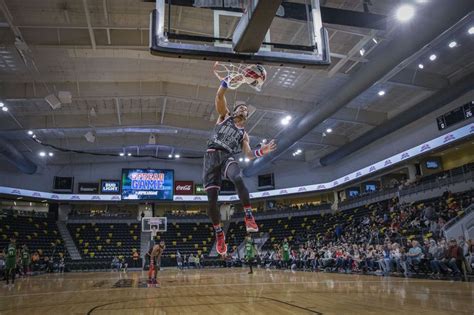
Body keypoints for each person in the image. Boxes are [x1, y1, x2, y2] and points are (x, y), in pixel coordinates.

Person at [204, 75, 277, 255]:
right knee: (212, 201)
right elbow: (219, 96)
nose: (244, 109)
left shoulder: (244, 134)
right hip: (211, 156)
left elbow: (249, 154)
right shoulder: (224, 116)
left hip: (227, 157)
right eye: (241, 107)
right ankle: (219, 233)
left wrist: (262, 152)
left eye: (246, 109)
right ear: (235, 111)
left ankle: (249, 216)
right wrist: (227, 81)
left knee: (237, 177)